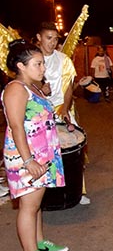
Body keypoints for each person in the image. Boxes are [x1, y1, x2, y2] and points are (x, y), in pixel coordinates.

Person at [2, 39, 68, 251]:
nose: (43, 68)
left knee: (36, 204)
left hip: (42, 155)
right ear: (21, 66)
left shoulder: (32, 88)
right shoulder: (15, 89)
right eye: (37, 64)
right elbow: (16, 126)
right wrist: (28, 161)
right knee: (28, 207)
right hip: (26, 158)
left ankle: (39, 243)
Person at [36, 22, 91, 205]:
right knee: (42, 154)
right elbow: (23, 85)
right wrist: (40, 89)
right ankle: (42, 195)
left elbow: (68, 87)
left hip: (61, 108)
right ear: (39, 37)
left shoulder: (64, 60)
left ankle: (78, 191)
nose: (52, 42)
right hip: (38, 112)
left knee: (74, 151)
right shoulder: (32, 58)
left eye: (55, 39)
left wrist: (65, 109)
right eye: (48, 38)